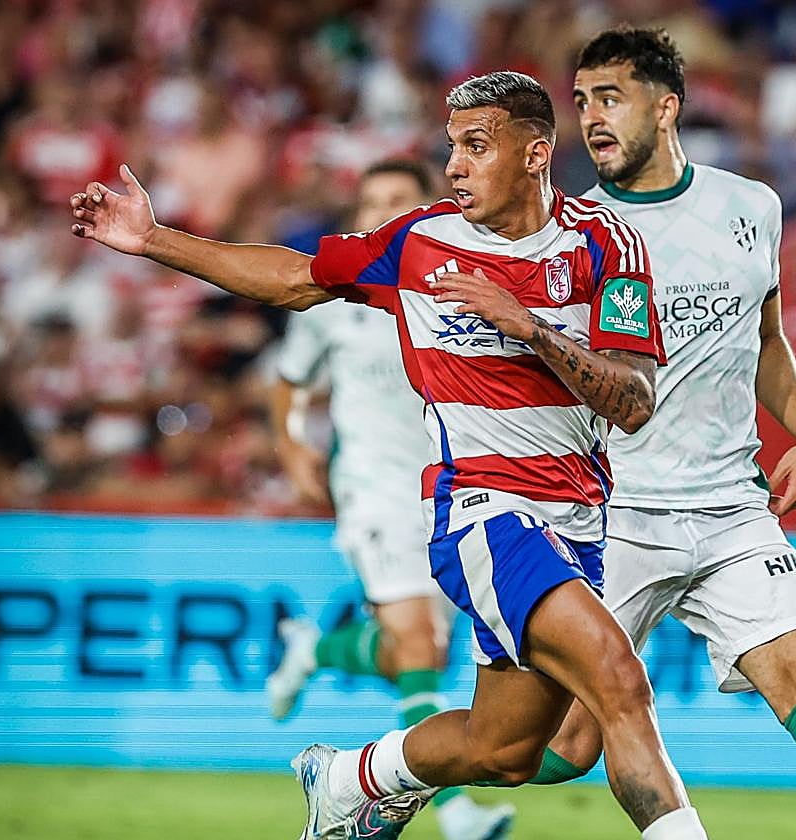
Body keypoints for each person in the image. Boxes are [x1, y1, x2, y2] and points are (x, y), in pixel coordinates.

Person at [69, 70, 709, 840]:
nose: (455, 166)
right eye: (451, 148)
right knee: (619, 681)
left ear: (536, 154)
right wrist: (153, 239)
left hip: (578, 515)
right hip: (485, 510)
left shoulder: (607, 243)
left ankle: (350, 777)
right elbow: (292, 280)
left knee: (506, 750)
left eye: (477, 146)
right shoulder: (420, 243)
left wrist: (530, 328)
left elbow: (634, 401)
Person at [509, 26, 796, 840]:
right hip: (613, 519)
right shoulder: (569, 235)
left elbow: (767, 336)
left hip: (730, 509)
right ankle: (390, 774)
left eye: (610, 97)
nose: (592, 118)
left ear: (667, 105)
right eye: (581, 103)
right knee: (546, 748)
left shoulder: (752, 207)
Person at [266, 157, 515, 840]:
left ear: (427, 209)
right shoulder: (334, 303)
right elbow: (288, 382)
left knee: (414, 650)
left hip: (451, 487)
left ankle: (315, 651)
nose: (380, 212)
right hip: (371, 487)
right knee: (417, 639)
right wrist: (291, 446)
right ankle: (455, 813)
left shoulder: (453, 286)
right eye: (369, 200)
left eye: (397, 199)